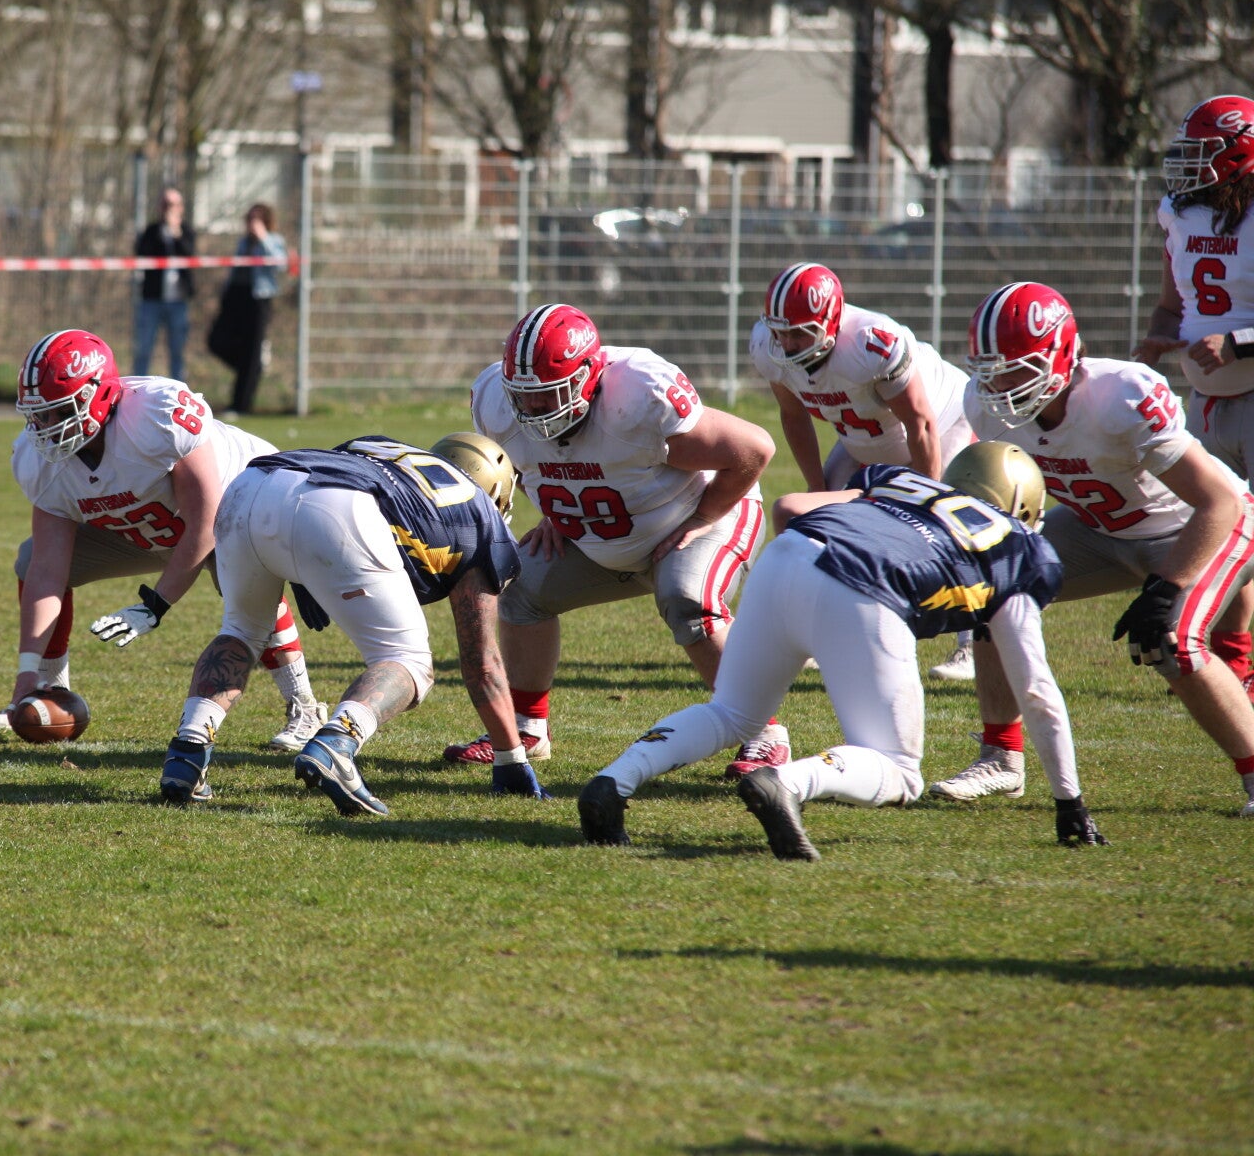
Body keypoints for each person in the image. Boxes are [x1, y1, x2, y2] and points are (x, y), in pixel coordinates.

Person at [579, 443, 1100, 859]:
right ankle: (786, 782)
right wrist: (1069, 801)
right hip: (863, 586)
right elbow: (1035, 691)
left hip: (789, 554)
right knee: (900, 770)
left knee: (733, 713)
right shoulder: (1019, 548)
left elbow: (794, 508)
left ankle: (614, 779)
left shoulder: (901, 481)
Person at [946, 281, 1254, 815]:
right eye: (991, 370)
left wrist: (1168, 587)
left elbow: (1220, 502)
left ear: (1062, 355)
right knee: (993, 594)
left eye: (1017, 369)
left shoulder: (1120, 396)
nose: (999, 385)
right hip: (1102, 530)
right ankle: (1001, 757)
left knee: (1171, 640)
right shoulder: (986, 406)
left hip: (1202, 526)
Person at [460, 303, 779, 770]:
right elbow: (524, 468)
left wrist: (704, 516)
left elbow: (753, 450)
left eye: (549, 395)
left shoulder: (637, 397)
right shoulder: (495, 403)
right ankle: (527, 727)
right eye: (523, 396)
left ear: (589, 377)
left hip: (697, 514)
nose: (534, 409)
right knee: (518, 583)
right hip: (605, 530)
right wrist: (555, 512)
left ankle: (764, 732)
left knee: (688, 599)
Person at [162, 433, 540, 814]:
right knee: (408, 660)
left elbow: (314, 483)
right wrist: (511, 759)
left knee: (241, 631)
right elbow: (483, 664)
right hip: (335, 508)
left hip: (253, 485)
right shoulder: (481, 517)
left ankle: (187, 753)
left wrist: (304, 565)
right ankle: (338, 743)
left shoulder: (383, 448)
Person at [0, 329, 325, 750]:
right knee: (30, 558)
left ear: (98, 394)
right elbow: (46, 570)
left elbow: (206, 522)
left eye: (59, 412)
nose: (45, 427)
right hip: (150, 527)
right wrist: (26, 673)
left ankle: (305, 707)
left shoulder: (157, 415)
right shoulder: (36, 459)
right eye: (38, 415)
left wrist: (155, 605)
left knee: (243, 586)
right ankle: (47, 691)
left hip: (240, 507)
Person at [754, 261, 979, 681]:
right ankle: (819, 637)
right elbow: (793, 415)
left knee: (950, 530)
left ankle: (973, 646)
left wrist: (926, 500)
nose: (786, 343)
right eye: (780, 332)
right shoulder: (769, 345)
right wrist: (816, 484)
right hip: (866, 438)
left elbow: (920, 424)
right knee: (810, 526)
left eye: (799, 333)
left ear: (830, 321)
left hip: (942, 424)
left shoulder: (871, 344)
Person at [1132, 93, 1254, 689]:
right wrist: (1157, 339)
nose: (1188, 163)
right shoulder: (1180, 212)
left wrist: (1238, 344)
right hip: (1204, 399)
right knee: (1226, 529)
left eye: (1203, 151)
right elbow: (1170, 305)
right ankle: (1234, 659)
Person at [212, 203, 284, 414]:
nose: (252, 224)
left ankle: (240, 405)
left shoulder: (274, 240)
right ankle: (254, 368)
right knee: (217, 341)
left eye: (257, 219)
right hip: (236, 297)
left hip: (258, 299)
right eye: (250, 219)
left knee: (251, 351)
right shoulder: (243, 242)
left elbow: (280, 265)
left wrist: (263, 238)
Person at [133, 187, 194, 382]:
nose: (169, 208)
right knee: (143, 349)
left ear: (181, 207)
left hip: (178, 301)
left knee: (177, 351)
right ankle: (137, 389)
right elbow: (142, 252)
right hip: (152, 300)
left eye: (173, 204)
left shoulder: (187, 231)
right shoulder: (151, 231)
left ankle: (180, 392)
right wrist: (163, 232)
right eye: (166, 204)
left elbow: (189, 253)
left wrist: (176, 233)